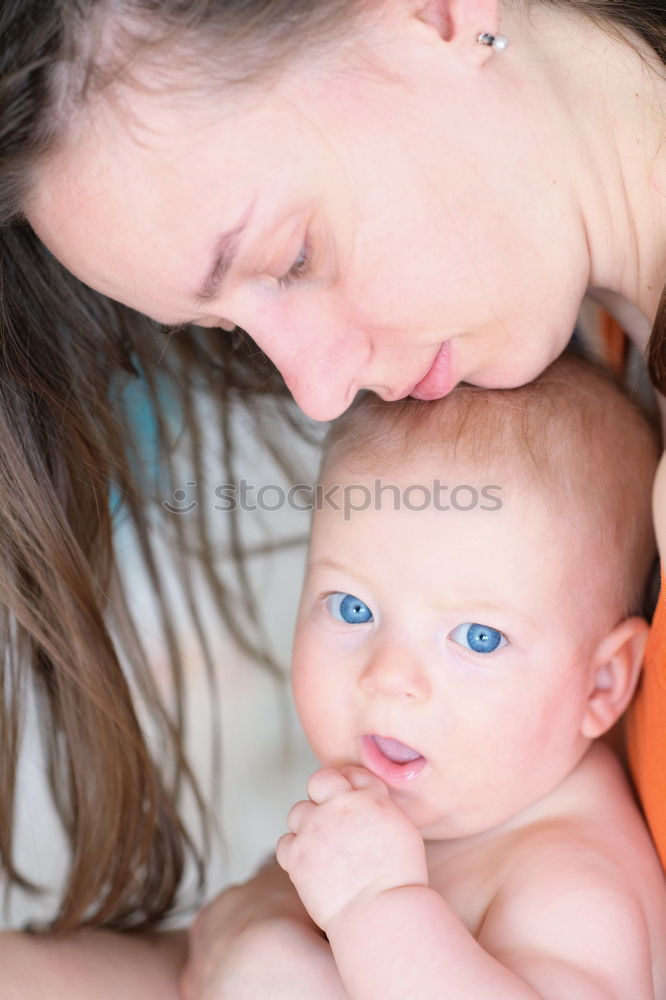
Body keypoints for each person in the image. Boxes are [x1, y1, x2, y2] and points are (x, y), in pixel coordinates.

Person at [0, 0, 663, 996]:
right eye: (229, 331)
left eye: (291, 258)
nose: (314, 391)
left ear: (435, 12)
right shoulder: (579, 373)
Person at [276, 351, 666, 998]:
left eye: (478, 638)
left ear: (600, 685)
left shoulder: (573, 883)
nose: (389, 676)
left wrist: (374, 907)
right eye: (352, 608)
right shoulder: (483, 796)